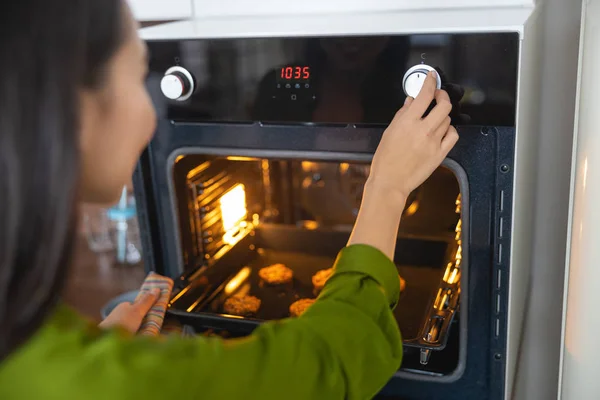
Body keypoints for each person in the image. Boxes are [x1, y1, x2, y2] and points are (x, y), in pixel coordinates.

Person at [0, 1, 458, 399]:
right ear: (75, 112)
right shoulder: (120, 384)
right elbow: (333, 359)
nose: (153, 113)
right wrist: (388, 186)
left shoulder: (40, 349)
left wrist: (100, 350)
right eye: (140, 75)